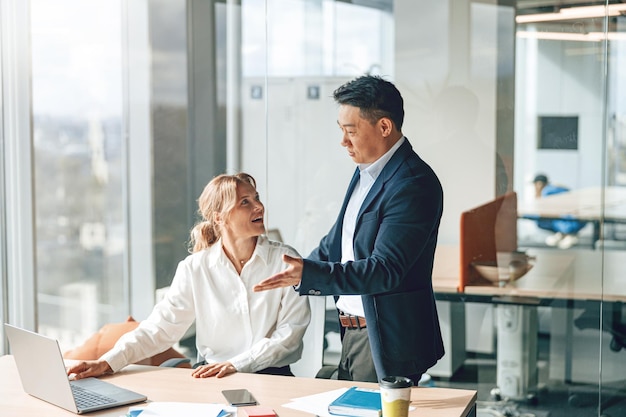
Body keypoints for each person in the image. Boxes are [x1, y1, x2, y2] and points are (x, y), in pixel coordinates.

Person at [254, 75, 444, 385]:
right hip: (356, 332)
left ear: (384, 127)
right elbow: (337, 243)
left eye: (351, 131)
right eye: (341, 130)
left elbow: (385, 270)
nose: (343, 141)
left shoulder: (412, 183)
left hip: (384, 337)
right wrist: (285, 269)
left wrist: (307, 273)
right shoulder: (367, 173)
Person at [67, 173, 310, 380]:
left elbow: (289, 335)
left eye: (256, 198)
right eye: (245, 202)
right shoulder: (195, 268)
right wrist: (107, 362)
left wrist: (237, 365)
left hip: (271, 376)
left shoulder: (286, 261)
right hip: (211, 378)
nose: (259, 207)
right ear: (219, 217)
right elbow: (161, 328)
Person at [532, 173, 587, 249]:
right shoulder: (556, 188)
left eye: (535, 185)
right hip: (578, 221)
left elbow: (545, 211)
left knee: (539, 220)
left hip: (569, 223)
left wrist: (538, 196)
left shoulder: (547, 192)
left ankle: (567, 234)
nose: (534, 188)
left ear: (539, 184)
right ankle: (563, 234)